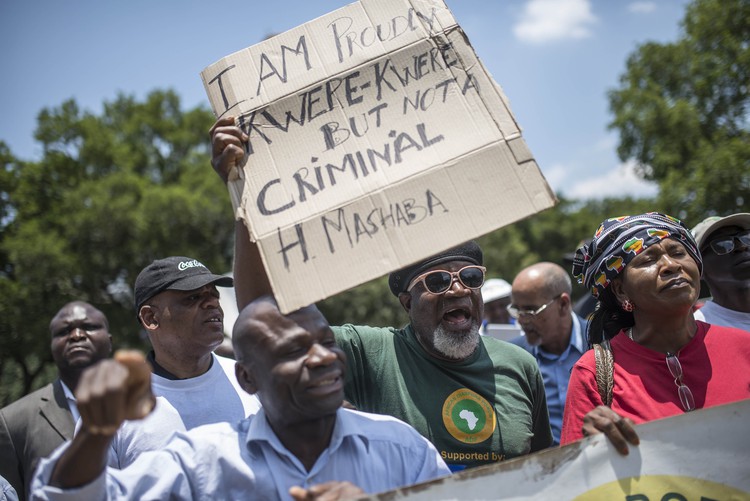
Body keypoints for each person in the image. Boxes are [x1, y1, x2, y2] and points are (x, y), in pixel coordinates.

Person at [210, 116, 553, 472]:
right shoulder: (371, 353)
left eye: (470, 277)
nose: (458, 288)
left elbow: (547, 468)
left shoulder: (521, 366)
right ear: (407, 301)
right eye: (436, 281)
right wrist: (244, 193)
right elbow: (264, 323)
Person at [31, 297, 450, 500]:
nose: (323, 358)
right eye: (293, 350)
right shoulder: (202, 463)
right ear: (247, 379)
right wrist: (96, 435)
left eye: (326, 342)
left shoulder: (401, 449)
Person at [560, 212, 750, 454]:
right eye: (648, 260)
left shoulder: (745, 348)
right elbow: (575, 481)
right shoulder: (593, 373)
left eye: (679, 253)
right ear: (620, 291)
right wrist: (587, 447)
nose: (671, 265)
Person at [106, 256, 260, 467]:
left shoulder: (251, 380)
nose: (212, 303)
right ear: (151, 318)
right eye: (193, 298)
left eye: (214, 295)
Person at [0, 302, 112, 500]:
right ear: (51, 347)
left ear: (109, 340)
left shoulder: (148, 406)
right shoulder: (12, 421)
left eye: (89, 327)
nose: (77, 335)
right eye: (64, 331)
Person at [507, 262, 588, 445]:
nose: (521, 320)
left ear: (563, 304)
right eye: (517, 310)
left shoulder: (605, 342)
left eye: (530, 310)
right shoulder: (512, 359)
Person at [691, 213, 750, 331]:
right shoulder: (698, 331)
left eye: (745, 237)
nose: (742, 246)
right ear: (698, 268)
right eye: (723, 244)